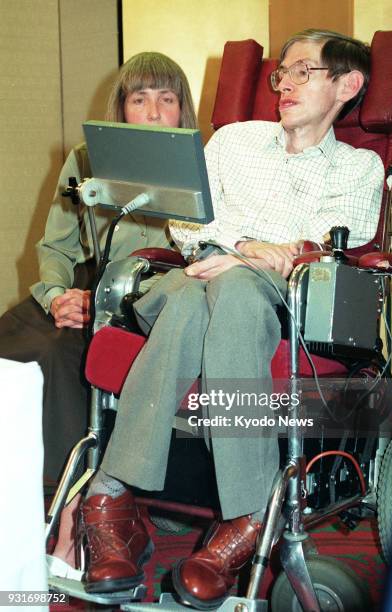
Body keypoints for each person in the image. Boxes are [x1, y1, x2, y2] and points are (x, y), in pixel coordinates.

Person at [76, 29, 385, 606]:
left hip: (284, 297)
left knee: (231, 294)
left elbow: (335, 242)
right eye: (280, 74)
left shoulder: (359, 167)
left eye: (302, 72)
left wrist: (253, 258)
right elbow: (188, 225)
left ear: (347, 85)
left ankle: (111, 494)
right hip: (196, 275)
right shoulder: (232, 142)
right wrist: (244, 245)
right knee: (210, 290)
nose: (284, 84)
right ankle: (246, 512)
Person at [0, 52, 197, 562]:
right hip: (84, 284)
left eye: (167, 99)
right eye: (140, 99)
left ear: (183, 109)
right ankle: (23, 490)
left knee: (71, 354)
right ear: (122, 107)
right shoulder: (87, 158)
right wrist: (55, 295)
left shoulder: (203, 164)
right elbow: (56, 248)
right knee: (18, 341)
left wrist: (107, 300)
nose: (153, 113)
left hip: (155, 290)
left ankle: (75, 510)